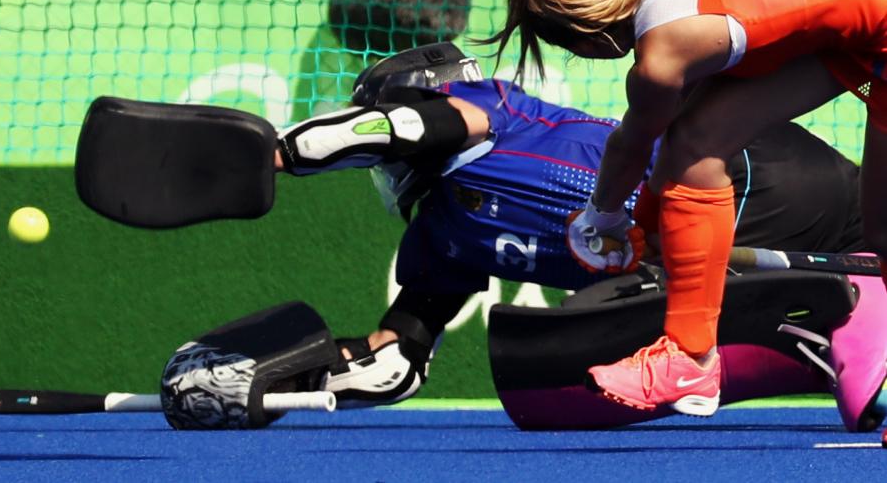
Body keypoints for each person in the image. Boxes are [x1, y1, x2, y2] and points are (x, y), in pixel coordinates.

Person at [273, 41, 868, 416]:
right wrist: (284, 382)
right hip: (731, 248)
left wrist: (275, 155)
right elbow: (394, 365)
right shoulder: (441, 237)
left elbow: (405, 129)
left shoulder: (494, 111)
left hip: (752, 177)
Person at [482, 0, 887, 416]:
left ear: (585, 39)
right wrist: (650, 226)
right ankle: (691, 356)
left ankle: (692, 358)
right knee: (700, 141)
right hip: (866, 2)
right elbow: (679, 140)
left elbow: (634, 144)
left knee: (881, 234)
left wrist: (600, 218)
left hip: (877, 23)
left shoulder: (663, 52)